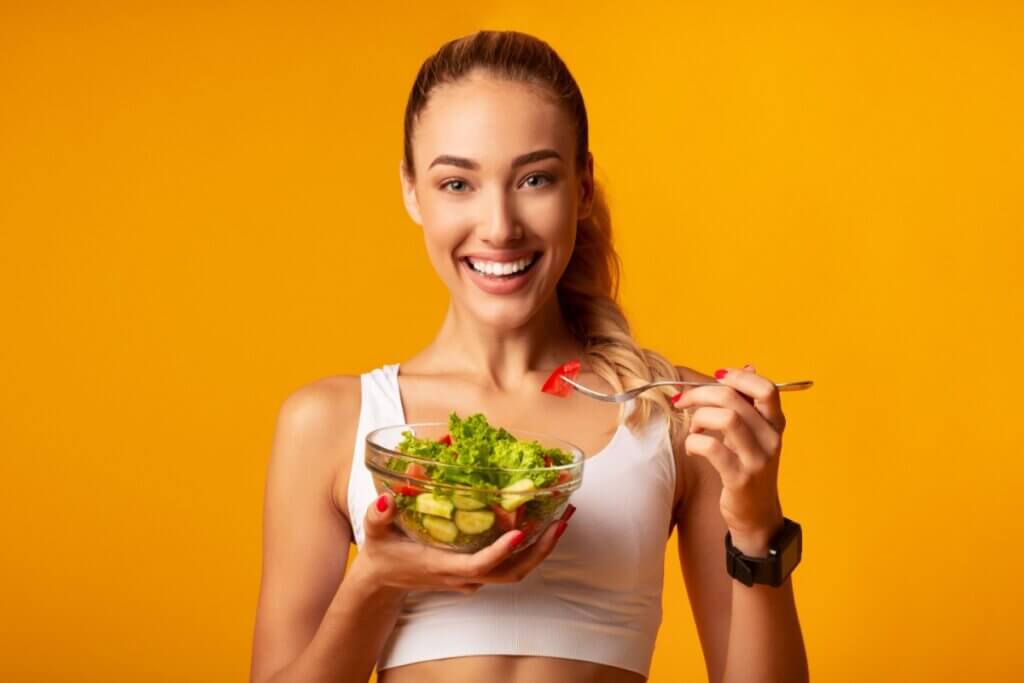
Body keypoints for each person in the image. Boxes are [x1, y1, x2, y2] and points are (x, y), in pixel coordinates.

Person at [250, 30, 808, 683]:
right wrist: (376, 579)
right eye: (457, 183)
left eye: (535, 178)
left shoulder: (672, 417)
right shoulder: (331, 423)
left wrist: (755, 523)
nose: (499, 225)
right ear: (410, 191)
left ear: (583, 185)